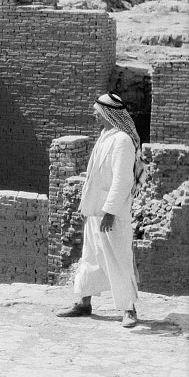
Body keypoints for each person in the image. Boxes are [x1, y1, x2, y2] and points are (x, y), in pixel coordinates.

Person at [57, 92, 146, 327]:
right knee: (91, 257)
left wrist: (110, 212)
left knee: (118, 258)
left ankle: (129, 309)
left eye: (97, 112)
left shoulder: (122, 141)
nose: (94, 116)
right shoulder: (106, 136)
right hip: (95, 210)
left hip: (111, 214)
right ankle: (84, 303)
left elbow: (122, 181)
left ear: (109, 114)